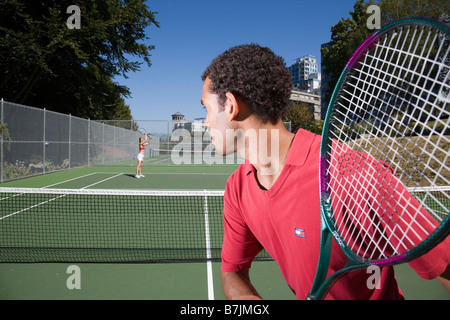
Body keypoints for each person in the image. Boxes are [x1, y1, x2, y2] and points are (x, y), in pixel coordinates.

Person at [200, 44, 450, 300]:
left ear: (230, 105)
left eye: (206, 109)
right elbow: (232, 272)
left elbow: (446, 267)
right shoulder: (237, 188)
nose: (206, 121)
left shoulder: (358, 176)